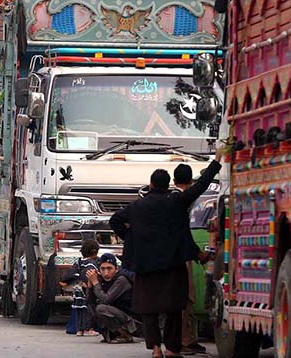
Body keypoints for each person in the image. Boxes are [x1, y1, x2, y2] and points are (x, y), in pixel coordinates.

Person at [110, 148, 223, 358]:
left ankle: (155, 349)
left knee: (149, 309)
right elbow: (200, 185)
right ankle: (172, 349)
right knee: (173, 310)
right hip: (173, 265)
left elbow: (114, 220)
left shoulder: (136, 207)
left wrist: (131, 239)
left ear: (151, 184)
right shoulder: (177, 202)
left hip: (145, 266)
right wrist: (216, 161)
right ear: (167, 184)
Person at [173, 164, 210, 355]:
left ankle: (188, 338)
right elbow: (184, 235)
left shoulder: (173, 198)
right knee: (185, 299)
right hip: (179, 258)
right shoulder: (180, 198)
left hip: (178, 256)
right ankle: (183, 341)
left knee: (188, 299)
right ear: (190, 181)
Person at [86, 253, 136, 344]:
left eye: (109, 268)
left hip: (131, 322)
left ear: (116, 269)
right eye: (103, 269)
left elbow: (106, 299)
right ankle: (113, 334)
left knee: (101, 308)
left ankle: (126, 335)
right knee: (94, 307)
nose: (106, 273)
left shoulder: (121, 280)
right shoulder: (102, 280)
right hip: (118, 316)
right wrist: (90, 285)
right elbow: (89, 302)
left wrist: (95, 283)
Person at [60, 239, 100, 336]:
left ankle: (79, 330)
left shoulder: (78, 262)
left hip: (77, 290)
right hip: (86, 290)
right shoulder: (91, 263)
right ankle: (88, 329)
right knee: (88, 309)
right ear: (94, 251)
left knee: (79, 310)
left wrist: (65, 282)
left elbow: (71, 274)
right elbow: (89, 275)